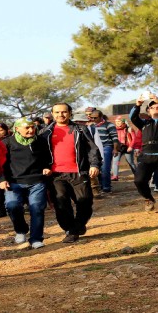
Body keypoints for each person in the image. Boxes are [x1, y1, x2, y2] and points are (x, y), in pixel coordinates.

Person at [40, 103, 101, 243]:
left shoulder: (80, 129)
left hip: (79, 172)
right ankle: (71, 230)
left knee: (85, 201)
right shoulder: (45, 132)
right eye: (57, 112)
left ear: (70, 113)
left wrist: (94, 164)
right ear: (52, 114)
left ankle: (79, 225)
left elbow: (92, 148)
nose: (60, 115)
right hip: (56, 175)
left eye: (64, 112)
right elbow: (40, 154)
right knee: (61, 202)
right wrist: (44, 167)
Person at [0, 118, 52, 249]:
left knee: (37, 208)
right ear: (17, 129)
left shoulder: (41, 141)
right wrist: (1, 179)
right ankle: (21, 230)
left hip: (37, 181)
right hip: (13, 182)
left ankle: (36, 239)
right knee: (12, 206)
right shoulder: (7, 143)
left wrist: (47, 167)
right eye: (26, 127)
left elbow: (48, 158)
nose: (30, 130)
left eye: (32, 127)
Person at [88, 110, 119, 193]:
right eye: (92, 118)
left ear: (101, 117)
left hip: (106, 147)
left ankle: (106, 187)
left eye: (95, 117)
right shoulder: (92, 126)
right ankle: (100, 186)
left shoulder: (109, 125)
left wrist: (115, 149)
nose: (93, 119)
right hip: (95, 149)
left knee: (105, 168)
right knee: (97, 168)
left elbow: (115, 138)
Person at [111, 115, 136, 180]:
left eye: (119, 121)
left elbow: (134, 139)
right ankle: (115, 176)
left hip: (127, 148)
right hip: (118, 148)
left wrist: (131, 147)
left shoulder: (129, 129)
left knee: (130, 162)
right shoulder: (114, 129)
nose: (117, 123)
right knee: (115, 162)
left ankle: (137, 175)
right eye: (116, 121)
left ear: (123, 122)